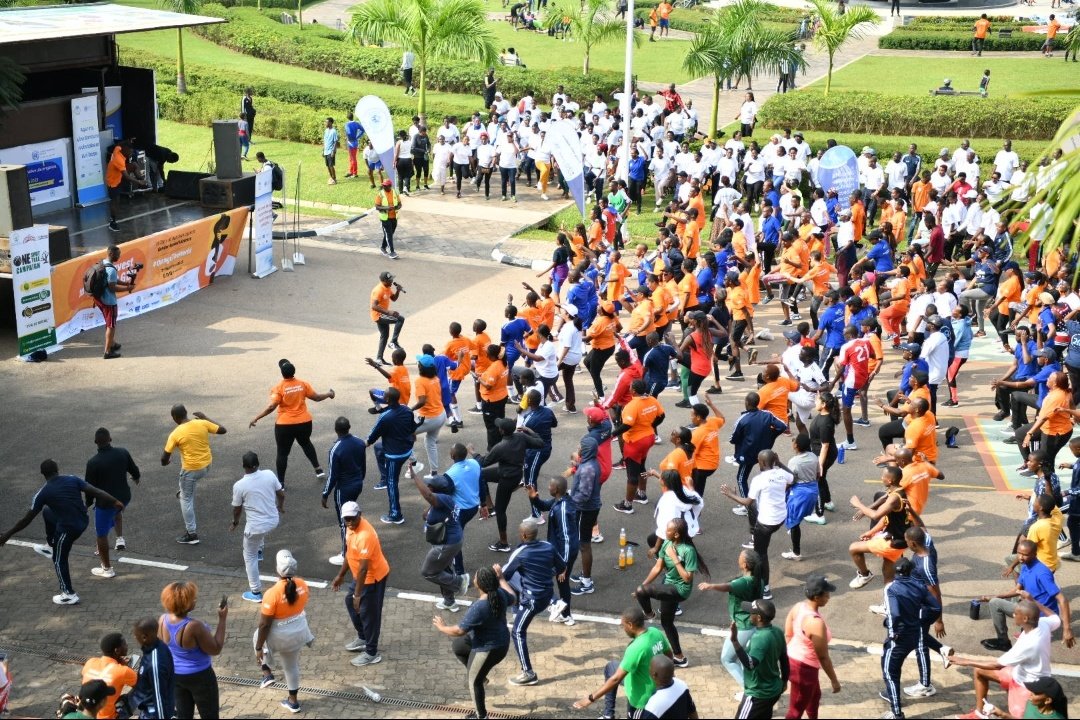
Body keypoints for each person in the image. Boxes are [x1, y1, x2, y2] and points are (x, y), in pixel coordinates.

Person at [0, 459, 123, 605]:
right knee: (47, 512)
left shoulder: (43, 493)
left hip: (69, 529)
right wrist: (115, 501)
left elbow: (27, 519)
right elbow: (97, 491)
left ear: (43, 474)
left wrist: (8, 534)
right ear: (57, 469)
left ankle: (68, 594)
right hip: (83, 521)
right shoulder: (72, 479)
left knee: (59, 559)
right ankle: (51, 545)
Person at [951, 599, 1061, 719]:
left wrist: (965, 661)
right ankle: (979, 714)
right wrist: (1036, 604)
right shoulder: (1043, 623)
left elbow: (997, 665)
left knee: (1015, 716)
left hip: (1026, 688)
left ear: (1025, 619)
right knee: (979, 670)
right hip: (1017, 674)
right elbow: (1055, 617)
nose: (1013, 615)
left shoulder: (1028, 645)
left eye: (1016, 613)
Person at [433, 566, 513, 720]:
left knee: (473, 681)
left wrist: (442, 627)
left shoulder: (479, 607)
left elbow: (459, 631)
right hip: (499, 641)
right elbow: (513, 596)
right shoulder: (500, 594)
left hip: (489, 649)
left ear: (480, 585)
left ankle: (481, 716)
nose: (473, 579)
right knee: (459, 646)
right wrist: (501, 578)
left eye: (475, 578)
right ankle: (482, 676)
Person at [572, 607, 673, 718]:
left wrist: (590, 698)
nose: (623, 628)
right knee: (611, 667)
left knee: (614, 676)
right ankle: (608, 715)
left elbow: (616, 679)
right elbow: (669, 654)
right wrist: (669, 676)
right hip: (657, 684)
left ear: (630, 625)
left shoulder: (636, 648)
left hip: (641, 699)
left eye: (623, 625)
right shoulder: (655, 632)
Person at [498, 518, 564, 686]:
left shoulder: (521, 553)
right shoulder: (548, 547)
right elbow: (561, 566)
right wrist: (544, 575)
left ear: (524, 535)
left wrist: (497, 573)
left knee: (518, 632)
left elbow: (504, 574)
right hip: (547, 592)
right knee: (517, 578)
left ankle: (528, 673)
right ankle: (552, 602)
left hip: (533, 600)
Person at [249, 358, 333, 488]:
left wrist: (257, 418)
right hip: (304, 422)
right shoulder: (303, 384)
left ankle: (281, 483)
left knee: (282, 453)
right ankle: (318, 469)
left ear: (282, 373)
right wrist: (329, 393)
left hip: (284, 425)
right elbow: (316, 398)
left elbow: (272, 407)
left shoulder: (278, 388)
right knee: (306, 443)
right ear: (294, 371)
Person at [977, 539, 1073, 652]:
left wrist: (1067, 629)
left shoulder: (1042, 573)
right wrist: (995, 596)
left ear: (1034, 554)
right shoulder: (1025, 566)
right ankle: (1003, 641)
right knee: (995, 602)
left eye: (1025, 555)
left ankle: (1031, 632)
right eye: (1019, 553)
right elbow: (1018, 589)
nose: (1021, 557)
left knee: (1023, 651)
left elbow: (1063, 600)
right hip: (1028, 609)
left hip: (1041, 616)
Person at [634, 518, 705, 668]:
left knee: (642, 592)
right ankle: (680, 658)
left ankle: (649, 614)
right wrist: (644, 585)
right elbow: (657, 568)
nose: (665, 532)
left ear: (677, 534)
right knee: (666, 622)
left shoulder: (688, 551)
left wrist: (675, 558)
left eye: (668, 530)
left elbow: (687, 578)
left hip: (680, 590)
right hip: (668, 587)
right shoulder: (666, 543)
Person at [721, 450, 791, 599]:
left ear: (762, 463)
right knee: (753, 508)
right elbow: (794, 479)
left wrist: (730, 494)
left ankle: (764, 588)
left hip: (766, 523)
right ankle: (755, 535)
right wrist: (779, 464)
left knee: (760, 555)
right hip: (780, 517)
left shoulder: (759, 480)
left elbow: (747, 501)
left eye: (759, 461)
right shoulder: (782, 473)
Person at [880, 557, 941, 720]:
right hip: (914, 635)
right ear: (911, 571)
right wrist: (922, 623)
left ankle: (896, 713)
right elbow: (935, 607)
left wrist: (892, 634)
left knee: (889, 672)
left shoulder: (891, 588)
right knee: (895, 668)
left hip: (899, 637)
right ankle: (891, 694)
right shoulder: (919, 586)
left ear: (895, 572)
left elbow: (894, 614)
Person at [254, 550, 315, 713]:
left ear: (277, 570)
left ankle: (267, 673)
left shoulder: (272, 594)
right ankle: (293, 702)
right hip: (299, 633)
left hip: (279, 636)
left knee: (257, 636)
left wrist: (259, 648)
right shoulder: (302, 584)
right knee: (291, 666)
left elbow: (264, 625)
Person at [331, 501, 390, 667]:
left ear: (360, 515)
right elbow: (350, 554)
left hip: (373, 578)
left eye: (352, 518)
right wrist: (341, 575)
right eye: (346, 519)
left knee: (369, 614)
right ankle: (363, 637)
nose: (349, 522)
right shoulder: (350, 529)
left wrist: (358, 595)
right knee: (350, 602)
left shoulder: (365, 535)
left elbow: (364, 569)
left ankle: (372, 652)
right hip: (361, 577)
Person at [157, 581, 227, 720]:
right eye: (193, 598)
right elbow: (216, 649)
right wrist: (222, 619)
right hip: (200, 677)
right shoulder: (193, 626)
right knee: (209, 714)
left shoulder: (162, 620)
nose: (195, 600)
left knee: (184, 714)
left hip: (175, 675)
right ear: (186, 604)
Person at [161, 405, 226, 545]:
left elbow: (163, 459)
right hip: (207, 466)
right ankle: (184, 490)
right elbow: (223, 430)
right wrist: (205, 417)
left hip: (191, 470)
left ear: (175, 418)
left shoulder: (175, 433)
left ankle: (192, 534)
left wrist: (167, 462)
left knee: (186, 500)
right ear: (186, 413)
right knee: (185, 485)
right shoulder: (201, 422)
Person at [84, 427, 140, 578]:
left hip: (105, 503)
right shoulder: (122, 452)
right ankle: (119, 539)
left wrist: (87, 504)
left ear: (96, 442)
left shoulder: (93, 463)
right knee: (117, 511)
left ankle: (107, 569)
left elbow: (89, 489)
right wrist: (136, 478)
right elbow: (135, 471)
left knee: (101, 535)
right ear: (110, 439)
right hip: (124, 498)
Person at [784, 575, 841, 719]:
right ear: (816, 597)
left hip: (796, 660)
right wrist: (834, 680)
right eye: (826, 594)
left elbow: (788, 635)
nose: (829, 596)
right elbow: (823, 657)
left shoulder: (798, 607)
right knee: (795, 710)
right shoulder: (815, 623)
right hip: (803, 669)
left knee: (815, 696)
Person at [230, 451, 284, 603]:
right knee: (260, 534)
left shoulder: (239, 485)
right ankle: (259, 550)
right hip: (273, 520)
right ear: (258, 464)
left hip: (255, 528)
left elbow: (237, 509)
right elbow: (281, 494)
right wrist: (280, 506)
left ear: (243, 466)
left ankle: (255, 591)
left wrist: (235, 522)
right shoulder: (269, 474)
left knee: (249, 556)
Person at [415, 471, 470, 611]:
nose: (427, 486)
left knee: (428, 572)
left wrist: (415, 477)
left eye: (429, 485)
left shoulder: (442, 499)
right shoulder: (441, 501)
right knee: (442, 570)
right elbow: (430, 512)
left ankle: (460, 582)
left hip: (446, 544)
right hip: (449, 541)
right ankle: (449, 601)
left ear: (433, 489)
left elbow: (427, 495)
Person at [527, 475, 578, 624]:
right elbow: (544, 506)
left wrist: (564, 565)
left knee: (549, 578)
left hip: (564, 553)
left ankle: (562, 611)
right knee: (561, 582)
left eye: (550, 486)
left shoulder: (562, 509)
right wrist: (533, 498)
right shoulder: (559, 501)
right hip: (561, 551)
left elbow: (566, 538)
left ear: (557, 490)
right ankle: (565, 613)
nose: (548, 487)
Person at [729, 598, 789, 718]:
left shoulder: (760, 638)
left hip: (758, 695)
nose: (749, 615)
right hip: (774, 689)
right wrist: (784, 682)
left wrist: (735, 641)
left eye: (752, 613)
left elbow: (750, 664)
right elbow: (784, 660)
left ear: (759, 618)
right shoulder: (777, 631)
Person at [366, 387, 417, 525]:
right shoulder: (407, 409)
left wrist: (364, 443)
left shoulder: (385, 417)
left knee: (392, 483)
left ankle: (396, 514)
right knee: (378, 448)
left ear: (387, 400)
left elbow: (372, 436)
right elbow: (413, 428)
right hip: (407, 448)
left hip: (395, 455)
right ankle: (385, 477)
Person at [323, 417, 367, 565]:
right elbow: (363, 464)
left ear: (336, 430)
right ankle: (357, 545)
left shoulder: (335, 450)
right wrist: (361, 479)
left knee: (344, 522)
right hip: (357, 484)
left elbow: (333, 476)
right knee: (353, 516)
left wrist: (325, 494)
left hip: (344, 489)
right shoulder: (360, 442)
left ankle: (345, 554)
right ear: (349, 427)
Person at [81, 633, 137, 720]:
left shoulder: (90, 662)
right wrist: (127, 667)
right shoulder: (124, 670)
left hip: (88, 711)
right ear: (117, 651)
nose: (127, 645)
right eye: (124, 644)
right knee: (142, 689)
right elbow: (140, 685)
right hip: (109, 717)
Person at [93, 245, 136, 359]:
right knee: (111, 325)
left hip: (99, 299)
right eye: (118, 254)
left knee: (108, 322)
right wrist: (127, 289)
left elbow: (112, 280)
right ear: (111, 254)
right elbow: (112, 287)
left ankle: (112, 343)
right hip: (109, 301)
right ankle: (107, 352)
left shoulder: (104, 263)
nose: (119, 256)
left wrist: (125, 283)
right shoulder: (111, 269)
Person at [130, 616, 175, 720]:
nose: (134, 637)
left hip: (153, 714)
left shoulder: (155, 663)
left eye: (136, 635)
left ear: (144, 637)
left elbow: (159, 698)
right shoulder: (158, 646)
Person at [638, 655, 698, 719]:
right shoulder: (682, 685)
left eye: (650, 667)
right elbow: (692, 712)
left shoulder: (653, 705)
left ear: (654, 675)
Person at [105, 141, 146, 233]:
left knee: (134, 165)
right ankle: (112, 223)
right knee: (115, 201)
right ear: (125, 149)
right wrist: (138, 181)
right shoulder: (118, 160)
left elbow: (119, 144)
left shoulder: (118, 149)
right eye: (130, 152)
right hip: (113, 182)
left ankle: (143, 183)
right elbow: (126, 176)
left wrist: (129, 140)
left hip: (119, 176)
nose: (131, 154)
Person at [343, 111, 364, 179]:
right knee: (351, 158)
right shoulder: (356, 123)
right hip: (355, 142)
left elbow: (348, 132)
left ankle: (354, 173)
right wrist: (357, 136)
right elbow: (362, 130)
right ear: (353, 117)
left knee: (353, 158)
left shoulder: (347, 124)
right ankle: (351, 171)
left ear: (347, 117)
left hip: (350, 143)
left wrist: (348, 138)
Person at [322, 117, 338, 185]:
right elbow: (325, 141)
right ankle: (331, 177)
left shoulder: (334, 131)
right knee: (328, 166)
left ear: (331, 123)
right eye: (325, 122)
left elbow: (335, 142)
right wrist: (323, 150)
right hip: (326, 151)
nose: (325, 123)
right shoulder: (326, 130)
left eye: (327, 122)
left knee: (331, 165)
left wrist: (333, 151)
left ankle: (334, 179)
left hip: (331, 151)